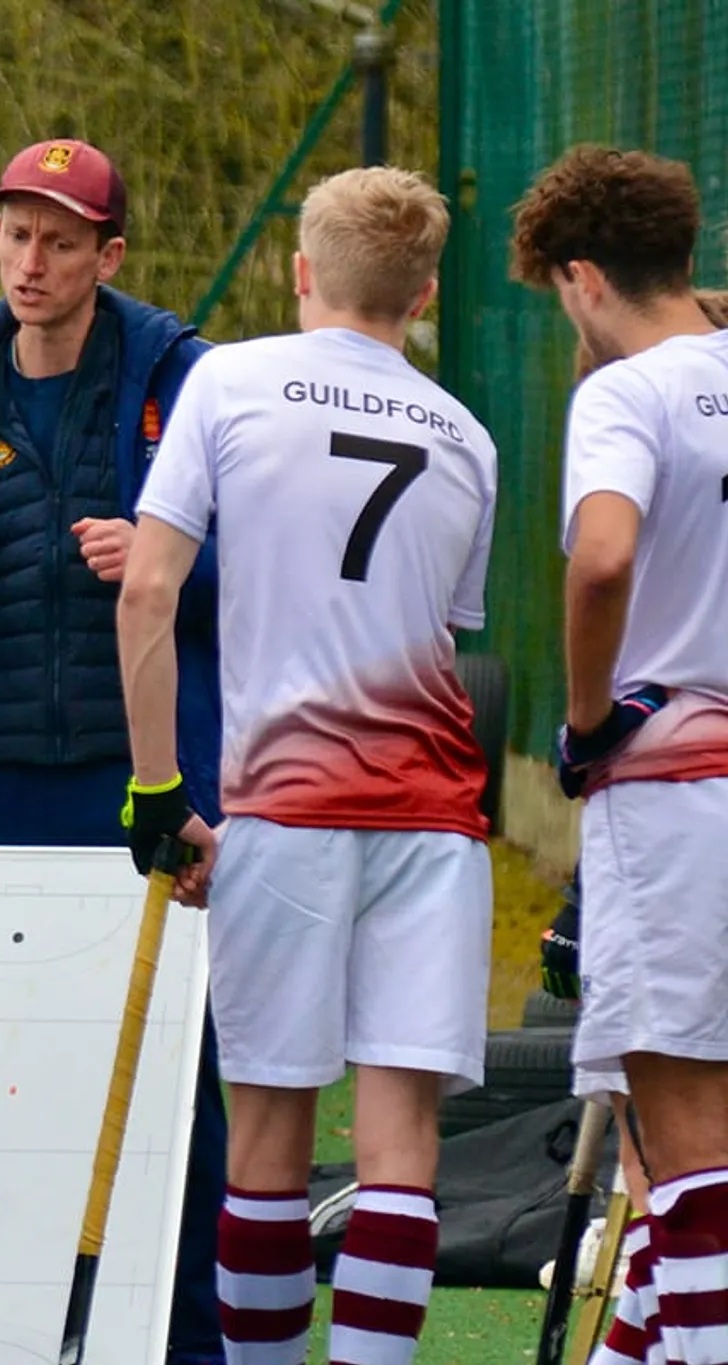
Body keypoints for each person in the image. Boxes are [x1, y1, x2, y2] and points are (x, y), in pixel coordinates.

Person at [117, 165, 495, 1365]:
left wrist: (155, 787)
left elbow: (145, 584)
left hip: (284, 809)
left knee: (270, 1140)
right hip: (435, 821)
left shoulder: (226, 381)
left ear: (296, 272)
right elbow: (443, 631)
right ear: (423, 293)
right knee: (398, 1156)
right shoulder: (467, 438)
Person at [0, 135, 227, 1362]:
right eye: (13, 235)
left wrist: (171, 576)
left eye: (58, 240)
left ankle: (186, 1335)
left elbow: (257, 575)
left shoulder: (182, 379)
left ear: (108, 254)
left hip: (128, 782)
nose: (28, 262)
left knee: (165, 1075)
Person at [510, 144, 728, 1365]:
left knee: (686, 1157)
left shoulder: (624, 392)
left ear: (581, 278)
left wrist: (587, 719)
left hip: (676, 801)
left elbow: (599, 559)